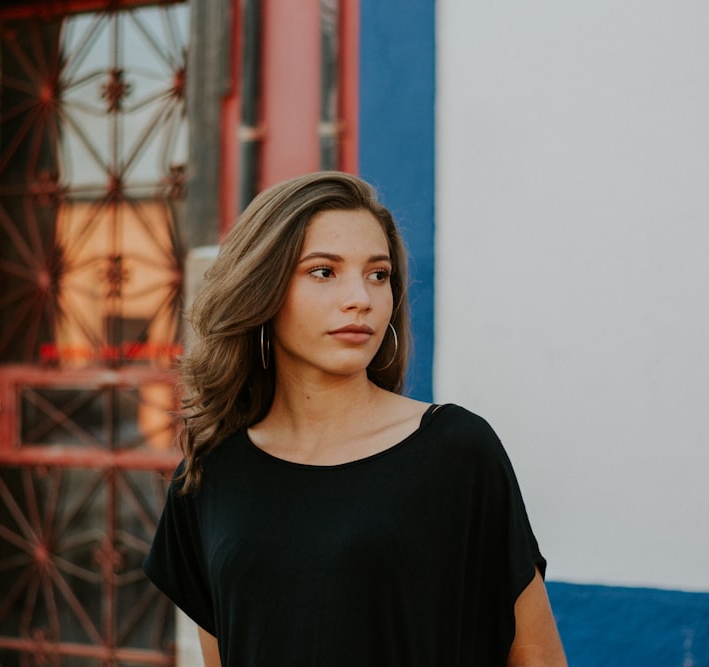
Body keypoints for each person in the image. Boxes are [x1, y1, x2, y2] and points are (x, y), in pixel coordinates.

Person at [144, 171, 567, 666]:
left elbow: (538, 658)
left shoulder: (456, 451)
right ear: (261, 289)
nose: (361, 299)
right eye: (324, 271)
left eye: (378, 274)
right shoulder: (210, 473)